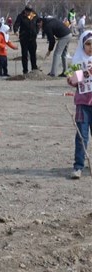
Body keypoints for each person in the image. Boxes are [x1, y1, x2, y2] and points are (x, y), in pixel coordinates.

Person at [67, 30, 92, 179]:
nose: (90, 47)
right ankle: (78, 166)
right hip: (83, 105)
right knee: (82, 136)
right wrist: (86, 73)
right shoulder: (77, 61)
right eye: (88, 44)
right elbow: (71, 80)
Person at [13, 5, 39, 74]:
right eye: (28, 12)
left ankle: (34, 68)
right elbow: (16, 24)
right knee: (24, 55)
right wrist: (15, 31)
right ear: (25, 11)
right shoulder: (21, 16)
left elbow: (38, 23)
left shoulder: (34, 15)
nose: (29, 13)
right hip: (24, 38)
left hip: (33, 38)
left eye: (30, 12)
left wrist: (36, 31)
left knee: (33, 54)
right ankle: (25, 70)